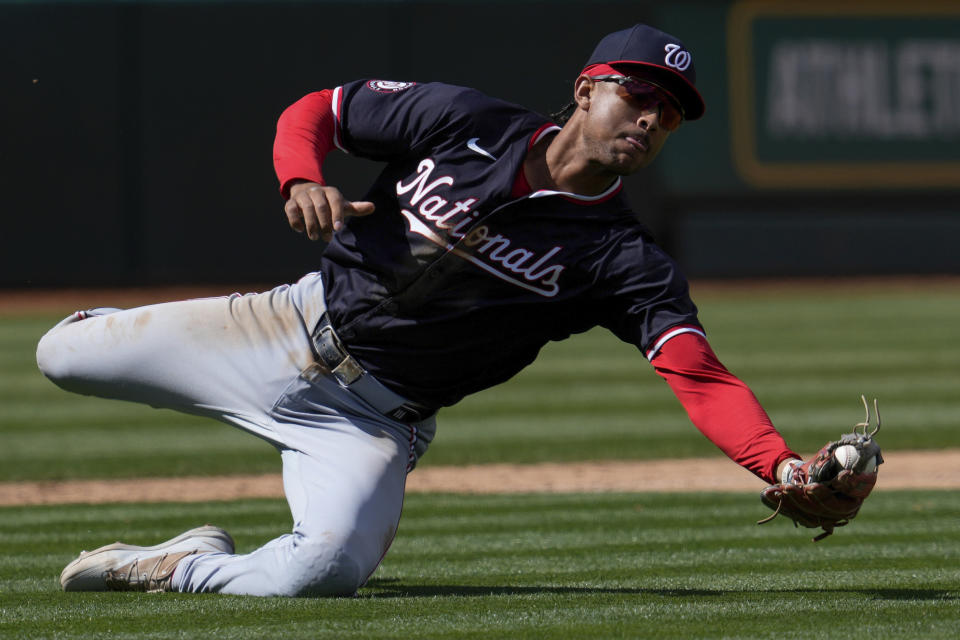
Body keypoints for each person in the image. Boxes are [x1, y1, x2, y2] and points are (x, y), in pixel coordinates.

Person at [38, 24, 802, 597]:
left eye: (669, 115)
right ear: (585, 90)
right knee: (59, 356)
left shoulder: (623, 258)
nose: (650, 119)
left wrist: (782, 464)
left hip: (374, 421)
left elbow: (696, 374)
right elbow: (319, 112)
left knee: (320, 572)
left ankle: (181, 564)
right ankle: (108, 327)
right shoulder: (464, 120)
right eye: (638, 95)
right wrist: (300, 179)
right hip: (283, 328)